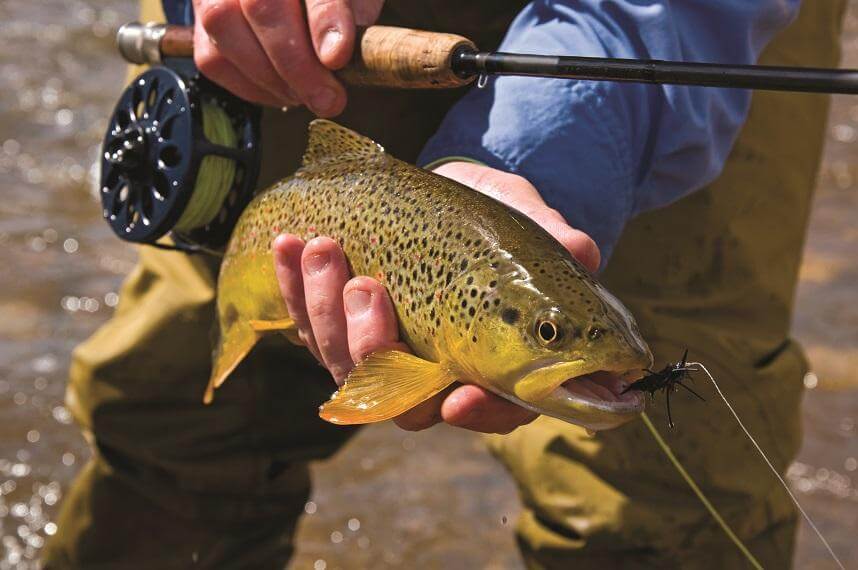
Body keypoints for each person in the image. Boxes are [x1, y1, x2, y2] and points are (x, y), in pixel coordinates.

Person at [43, 0, 845, 568]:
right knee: (179, 431)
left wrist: (536, 158)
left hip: (679, 32)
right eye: (551, 336)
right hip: (325, 41)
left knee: (656, 512)